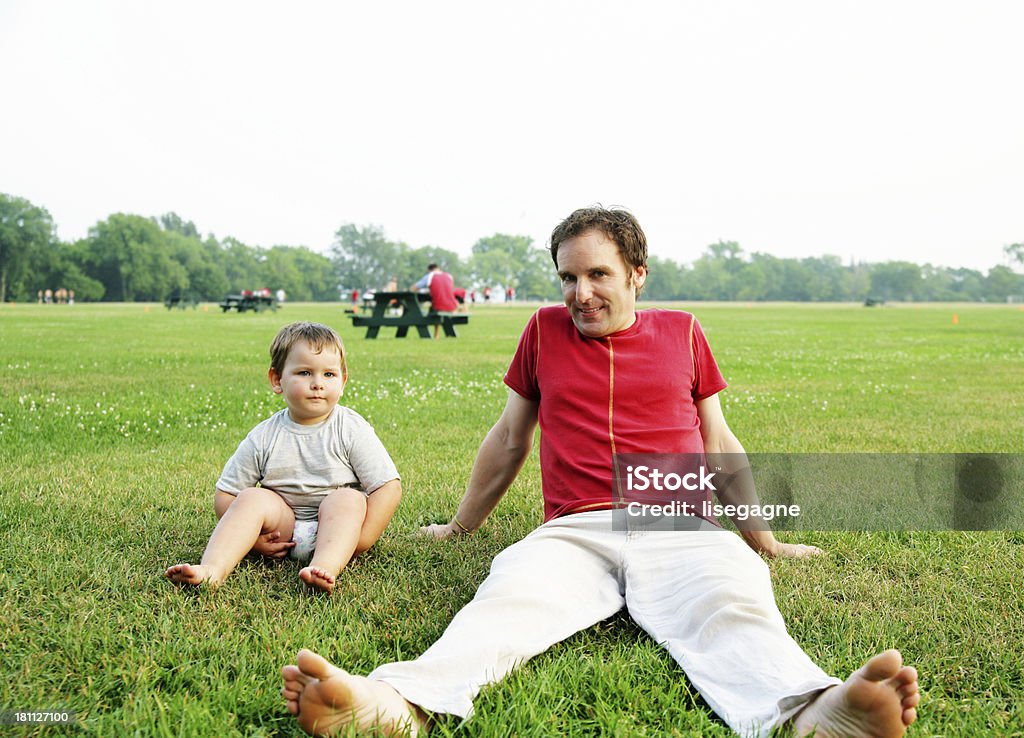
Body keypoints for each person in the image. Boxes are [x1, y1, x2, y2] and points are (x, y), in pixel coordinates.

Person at [281, 208, 920, 736]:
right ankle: (397, 705)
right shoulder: (544, 331)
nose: (579, 294)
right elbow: (509, 438)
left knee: (733, 602)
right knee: (505, 601)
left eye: (597, 275)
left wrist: (765, 542)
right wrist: (458, 527)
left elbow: (719, 440)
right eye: (567, 277)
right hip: (576, 528)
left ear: (637, 275)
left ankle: (815, 714)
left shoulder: (684, 332)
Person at [166, 321, 402, 594]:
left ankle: (324, 566)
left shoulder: (350, 428)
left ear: (343, 381)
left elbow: (388, 486)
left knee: (348, 498)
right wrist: (256, 541)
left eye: (329, 374)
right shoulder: (265, 435)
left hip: (337, 531)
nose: (317, 384)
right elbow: (226, 494)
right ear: (277, 380)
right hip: (284, 529)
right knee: (252, 497)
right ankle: (213, 569)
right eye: (304, 373)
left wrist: (362, 539)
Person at [411, 263, 459, 339]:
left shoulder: (430, 276)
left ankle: (436, 334)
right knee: (435, 308)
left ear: (429, 270)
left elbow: (414, 287)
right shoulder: (449, 276)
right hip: (452, 306)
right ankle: (442, 334)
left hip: (439, 305)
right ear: (438, 268)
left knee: (433, 309)